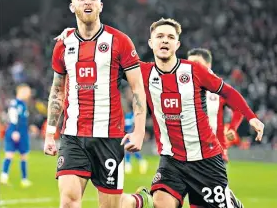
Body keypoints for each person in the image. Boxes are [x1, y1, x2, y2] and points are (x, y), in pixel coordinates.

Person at [55, 19, 264, 208]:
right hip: (171, 160)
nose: (165, 41)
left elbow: (228, 92)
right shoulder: (142, 72)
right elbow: (102, 56)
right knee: (161, 201)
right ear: (151, 43)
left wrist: (251, 117)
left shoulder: (194, 71)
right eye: (160, 37)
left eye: (171, 37)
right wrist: (77, 32)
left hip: (205, 160)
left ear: (177, 45)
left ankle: (229, 201)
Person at [43, 0, 146, 208]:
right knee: (68, 202)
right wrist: (51, 132)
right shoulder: (63, 45)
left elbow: (137, 88)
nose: (87, 2)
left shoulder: (119, 41)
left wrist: (139, 131)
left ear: (101, 5)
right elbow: (57, 90)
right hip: (73, 136)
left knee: (111, 205)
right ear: (72, 6)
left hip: (109, 137)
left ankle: (137, 202)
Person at [187, 48, 244, 207]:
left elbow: (238, 108)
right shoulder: (182, 87)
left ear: (208, 64)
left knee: (213, 199)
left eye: (197, 63)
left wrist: (232, 128)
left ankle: (230, 201)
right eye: (190, 62)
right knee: (197, 198)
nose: (192, 66)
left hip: (216, 151)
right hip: (191, 151)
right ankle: (231, 201)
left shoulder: (218, 87)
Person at [0, 84, 35, 187]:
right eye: (27, 92)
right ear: (21, 91)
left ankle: (24, 180)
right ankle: (4, 177)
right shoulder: (15, 103)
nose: (29, 94)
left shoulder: (23, 104)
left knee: (24, 156)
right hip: (14, 131)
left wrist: (30, 127)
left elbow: (23, 120)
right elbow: (12, 117)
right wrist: (15, 131)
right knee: (9, 154)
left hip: (23, 132)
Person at [123, 86, 148, 175]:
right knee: (129, 150)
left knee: (130, 149)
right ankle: (134, 163)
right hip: (127, 134)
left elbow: (135, 125)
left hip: (132, 134)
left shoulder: (133, 115)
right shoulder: (127, 116)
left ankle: (136, 162)